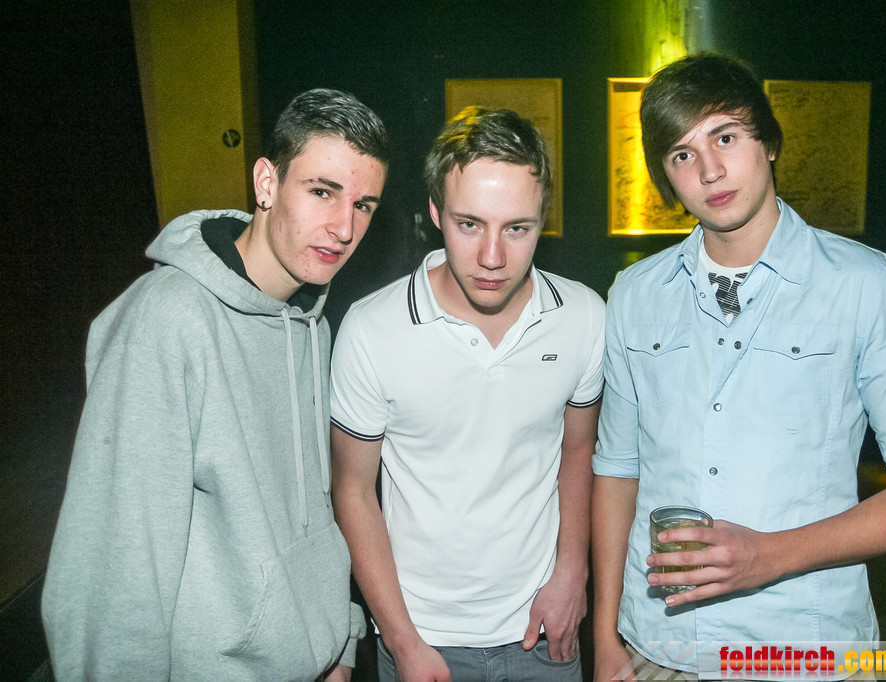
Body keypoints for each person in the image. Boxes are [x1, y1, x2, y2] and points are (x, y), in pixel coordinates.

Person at [592, 53, 886, 680]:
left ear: (768, 141)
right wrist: (606, 635)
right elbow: (618, 469)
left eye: (725, 137)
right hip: (660, 645)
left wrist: (769, 556)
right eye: (682, 154)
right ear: (666, 178)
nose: (710, 170)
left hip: (804, 648)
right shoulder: (635, 293)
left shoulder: (867, 286)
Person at [41, 88, 389, 681]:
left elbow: (314, 509)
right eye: (322, 192)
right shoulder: (167, 318)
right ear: (267, 183)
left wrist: (338, 641)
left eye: (364, 205)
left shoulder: (314, 325)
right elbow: (116, 564)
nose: (343, 227)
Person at [329, 106, 604, 681]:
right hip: (421, 638)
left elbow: (578, 449)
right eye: (470, 224)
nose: (492, 258)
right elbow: (352, 491)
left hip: (544, 631)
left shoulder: (583, 316)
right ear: (436, 212)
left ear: (543, 220)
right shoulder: (372, 329)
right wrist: (402, 640)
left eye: (517, 228)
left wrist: (572, 573)